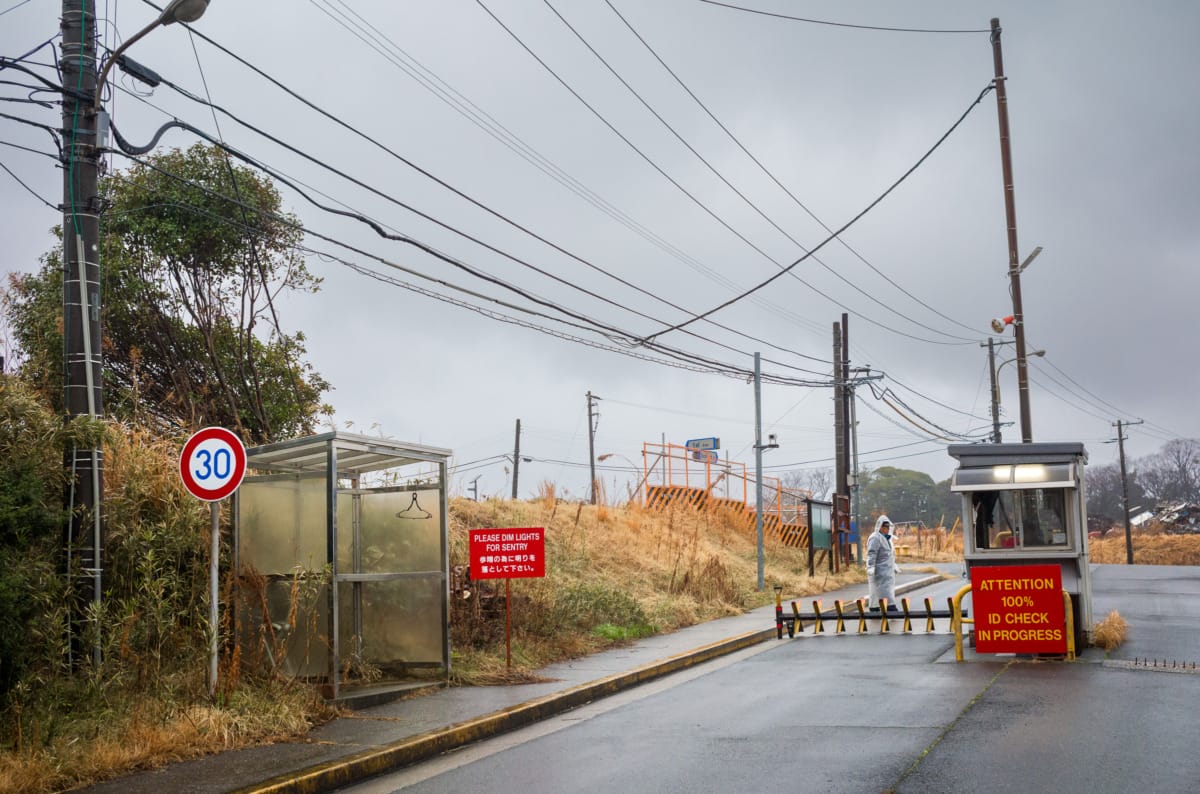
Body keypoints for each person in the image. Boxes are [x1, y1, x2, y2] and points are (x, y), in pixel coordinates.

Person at [867, 515, 901, 611]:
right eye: (885, 527)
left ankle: (875, 609)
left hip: (887, 571)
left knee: (883, 591)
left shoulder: (887, 539)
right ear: (880, 527)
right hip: (879, 571)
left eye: (888, 527)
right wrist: (870, 567)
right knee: (882, 591)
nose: (887, 529)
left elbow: (890, 555)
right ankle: (891, 608)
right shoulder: (875, 538)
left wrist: (894, 566)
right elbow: (871, 554)